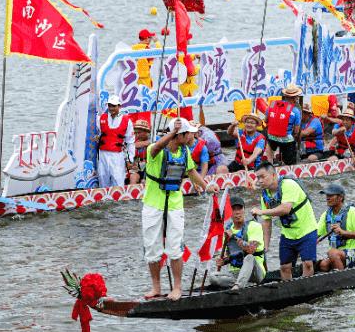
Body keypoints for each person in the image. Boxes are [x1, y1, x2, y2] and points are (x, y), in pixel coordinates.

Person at [142, 118, 216, 300]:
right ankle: (156, 287)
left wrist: (206, 186)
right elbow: (157, 147)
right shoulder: (155, 150)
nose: (193, 135)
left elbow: (192, 172)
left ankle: (177, 287)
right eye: (189, 132)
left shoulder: (184, 151)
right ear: (179, 135)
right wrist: (172, 132)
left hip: (175, 204)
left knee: (175, 248)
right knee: (152, 248)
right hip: (153, 203)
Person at [251, 162, 317, 280]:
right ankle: (289, 289)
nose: (259, 181)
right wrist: (266, 246)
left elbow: (285, 209)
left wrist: (261, 211)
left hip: (307, 230)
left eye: (262, 177)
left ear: (273, 175)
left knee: (307, 264)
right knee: (285, 267)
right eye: (257, 177)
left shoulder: (288, 185)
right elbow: (266, 222)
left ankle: (306, 288)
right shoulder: (265, 195)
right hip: (288, 234)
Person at [209, 196, 266, 290]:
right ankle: (245, 285)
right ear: (230, 213)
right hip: (235, 274)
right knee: (213, 277)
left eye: (239, 208)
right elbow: (229, 256)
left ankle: (238, 287)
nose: (237, 212)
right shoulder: (227, 231)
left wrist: (234, 238)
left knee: (249, 257)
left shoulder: (254, 226)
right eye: (233, 209)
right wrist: (223, 261)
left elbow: (251, 250)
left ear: (244, 210)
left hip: (255, 273)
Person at [316, 182, 355, 272]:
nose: (327, 198)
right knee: (323, 265)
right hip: (337, 254)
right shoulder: (325, 215)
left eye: (331, 195)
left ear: (340, 197)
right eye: (327, 195)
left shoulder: (353, 212)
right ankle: (339, 272)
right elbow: (315, 235)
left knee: (332, 252)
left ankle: (344, 281)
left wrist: (343, 232)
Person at [95, 96, 133, 188]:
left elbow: (130, 142)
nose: (111, 108)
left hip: (117, 155)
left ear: (119, 106)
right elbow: (98, 134)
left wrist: (130, 159)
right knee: (102, 178)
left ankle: (117, 200)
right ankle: (104, 200)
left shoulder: (127, 121)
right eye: (109, 105)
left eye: (114, 106)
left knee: (118, 180)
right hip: (103, 154)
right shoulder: (100, 118)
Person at [265, 85, 304, 166]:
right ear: (295, 98)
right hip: (286, 139)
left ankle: (270, 163)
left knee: (269, 143)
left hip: (271, 136)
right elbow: (296, 130)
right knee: (290, 161)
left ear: (285, 96)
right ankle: (287, 165)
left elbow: (266, 120)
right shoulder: (296, 111)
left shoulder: (272, 105)